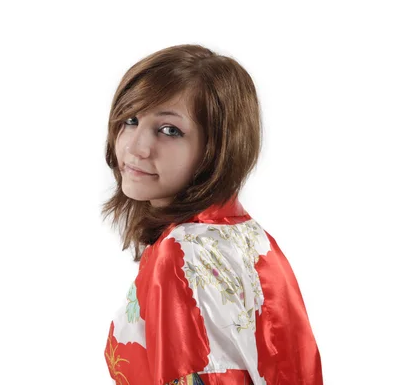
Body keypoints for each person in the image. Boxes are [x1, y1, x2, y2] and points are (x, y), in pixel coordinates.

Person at [101, 44, 323, 385]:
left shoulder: (182, 252)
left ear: (217, 148)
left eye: (169, 130)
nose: (134, 147)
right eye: (130, 120)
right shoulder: (252, 238)